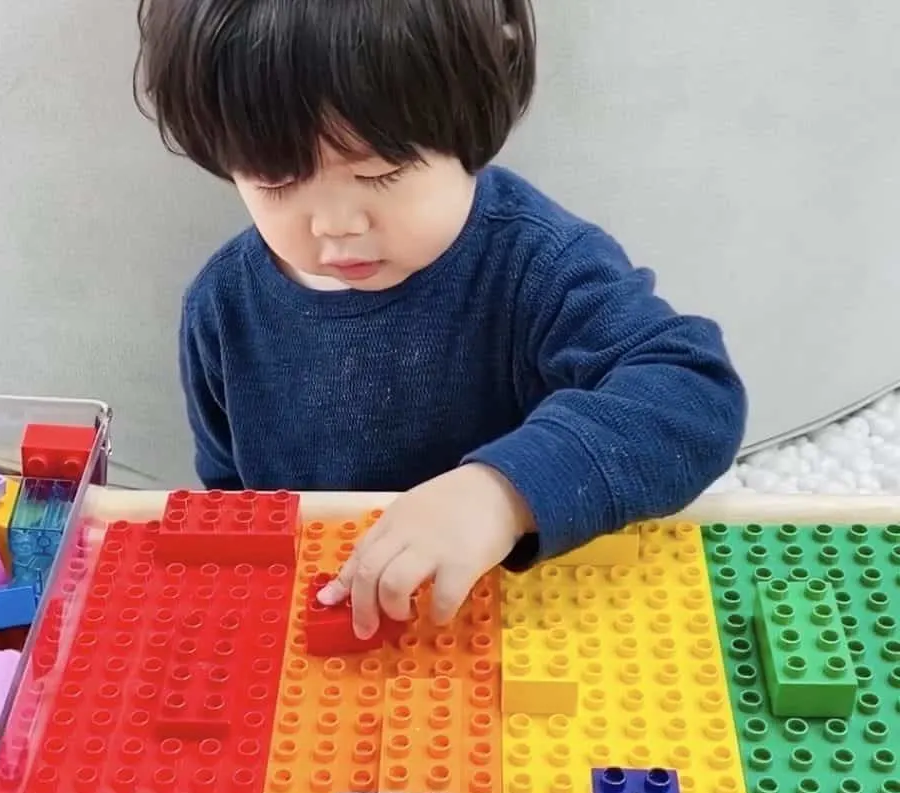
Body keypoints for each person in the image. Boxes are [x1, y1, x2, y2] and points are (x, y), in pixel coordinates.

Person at [135, 0, 747, 641]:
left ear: (470, 126)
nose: (335, 224)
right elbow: (233, 495)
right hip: (337, 628)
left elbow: (694, 390)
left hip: (516, 616)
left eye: (381, 172)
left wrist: (504, 493)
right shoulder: (222, 305)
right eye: (275, 181)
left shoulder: (535, 261)